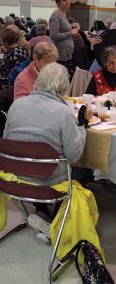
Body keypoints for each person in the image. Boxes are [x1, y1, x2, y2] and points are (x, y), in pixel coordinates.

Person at [4, 62, 88, 236]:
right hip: (49, 182)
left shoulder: (16, 106)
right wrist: (81, 126)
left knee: (39, 163)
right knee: (86, 171)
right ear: (64, 87)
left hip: (15, 179)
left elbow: (8, 141)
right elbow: (75, 155)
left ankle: (42, 213)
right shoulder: (63, 112)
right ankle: (57, 219)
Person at [49, 0, 78, 77]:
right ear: (58, 3)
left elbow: (63, 30)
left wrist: (72, 27)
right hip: (60, 54)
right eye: (64, 0)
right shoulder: (56, 16)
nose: (67, 2)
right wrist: (70, 33)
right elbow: (53, 35)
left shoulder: (63, 14)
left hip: (67, 54)